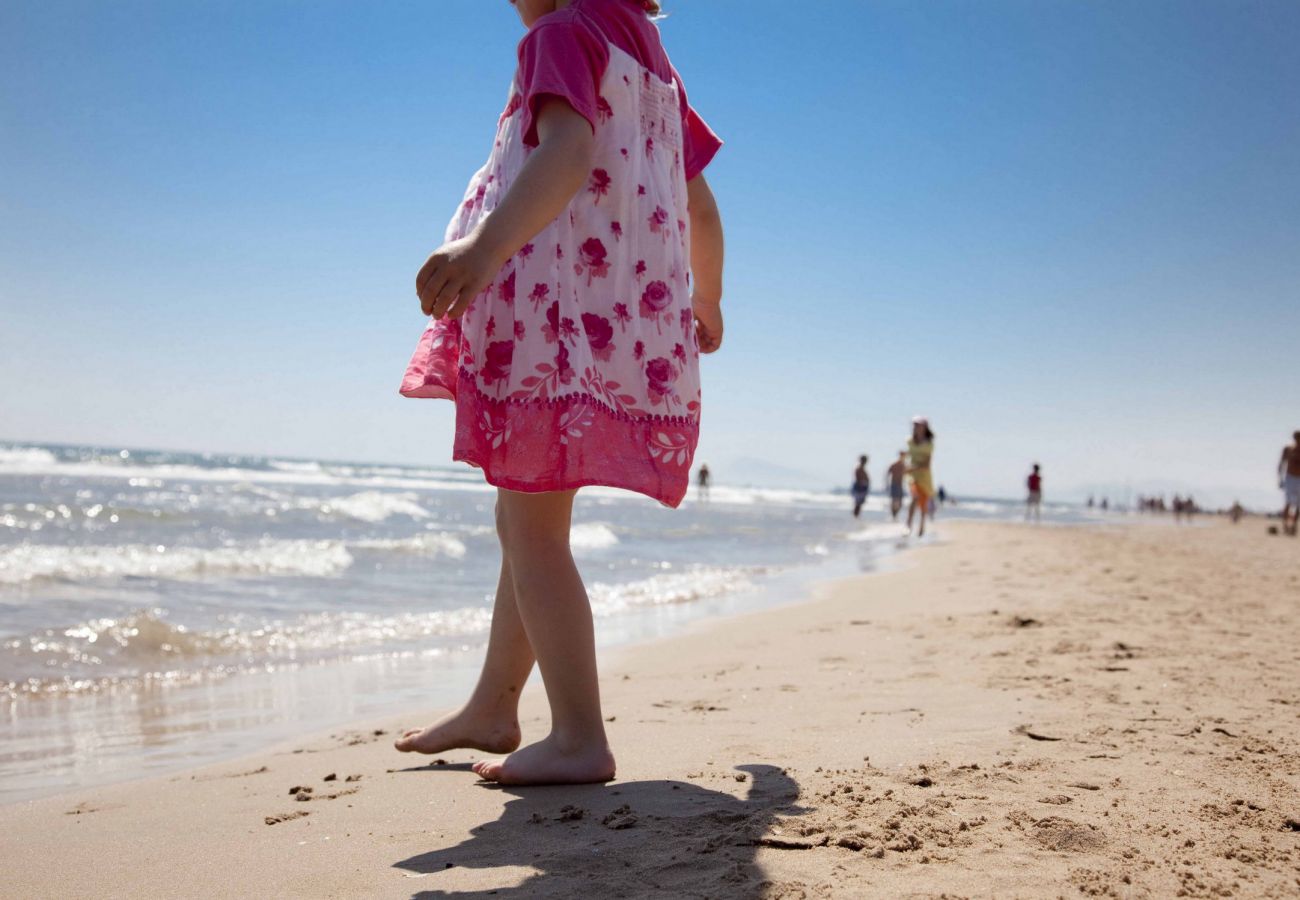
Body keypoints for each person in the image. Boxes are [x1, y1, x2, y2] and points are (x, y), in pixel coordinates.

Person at [395, 0, 725, 785]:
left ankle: (579, 736)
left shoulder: (561, 34)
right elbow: (701, 205)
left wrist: (482, 247)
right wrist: (708, 298)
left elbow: (568, 153)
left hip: (555, 315)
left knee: (532, 529)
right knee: (525, 513)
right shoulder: (653, 67)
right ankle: (493, 705)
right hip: (619, 324)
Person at [906, 416, 935, 537]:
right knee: (915, 497)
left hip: (924, 476)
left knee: (923, 502)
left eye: (918, 425)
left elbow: (927, 465)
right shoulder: (909, 441)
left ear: (924, 427)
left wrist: (913, 467)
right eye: (914, 425)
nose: (915, 427)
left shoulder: (929, 444)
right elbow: (909, 456)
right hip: (912, 475)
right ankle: (908, 526)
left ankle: (921, 527)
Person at [1280, 431, 1300, 536]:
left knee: (1298, 504)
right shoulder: (1288, 449)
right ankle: (1285, 525)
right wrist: (1280, 478)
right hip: (1290, 478)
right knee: (1288, 502)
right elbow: (1281, 463)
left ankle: (1294, 525)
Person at [886, 451, 907, 521]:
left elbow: (907, 474)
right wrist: (887, 484)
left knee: (899, 502)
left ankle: (894, 516)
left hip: (900, 485)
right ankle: (894, 516)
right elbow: (888, 473)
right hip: (894, 484)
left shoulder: (904, 465)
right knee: (895, 501)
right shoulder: (895, 465)